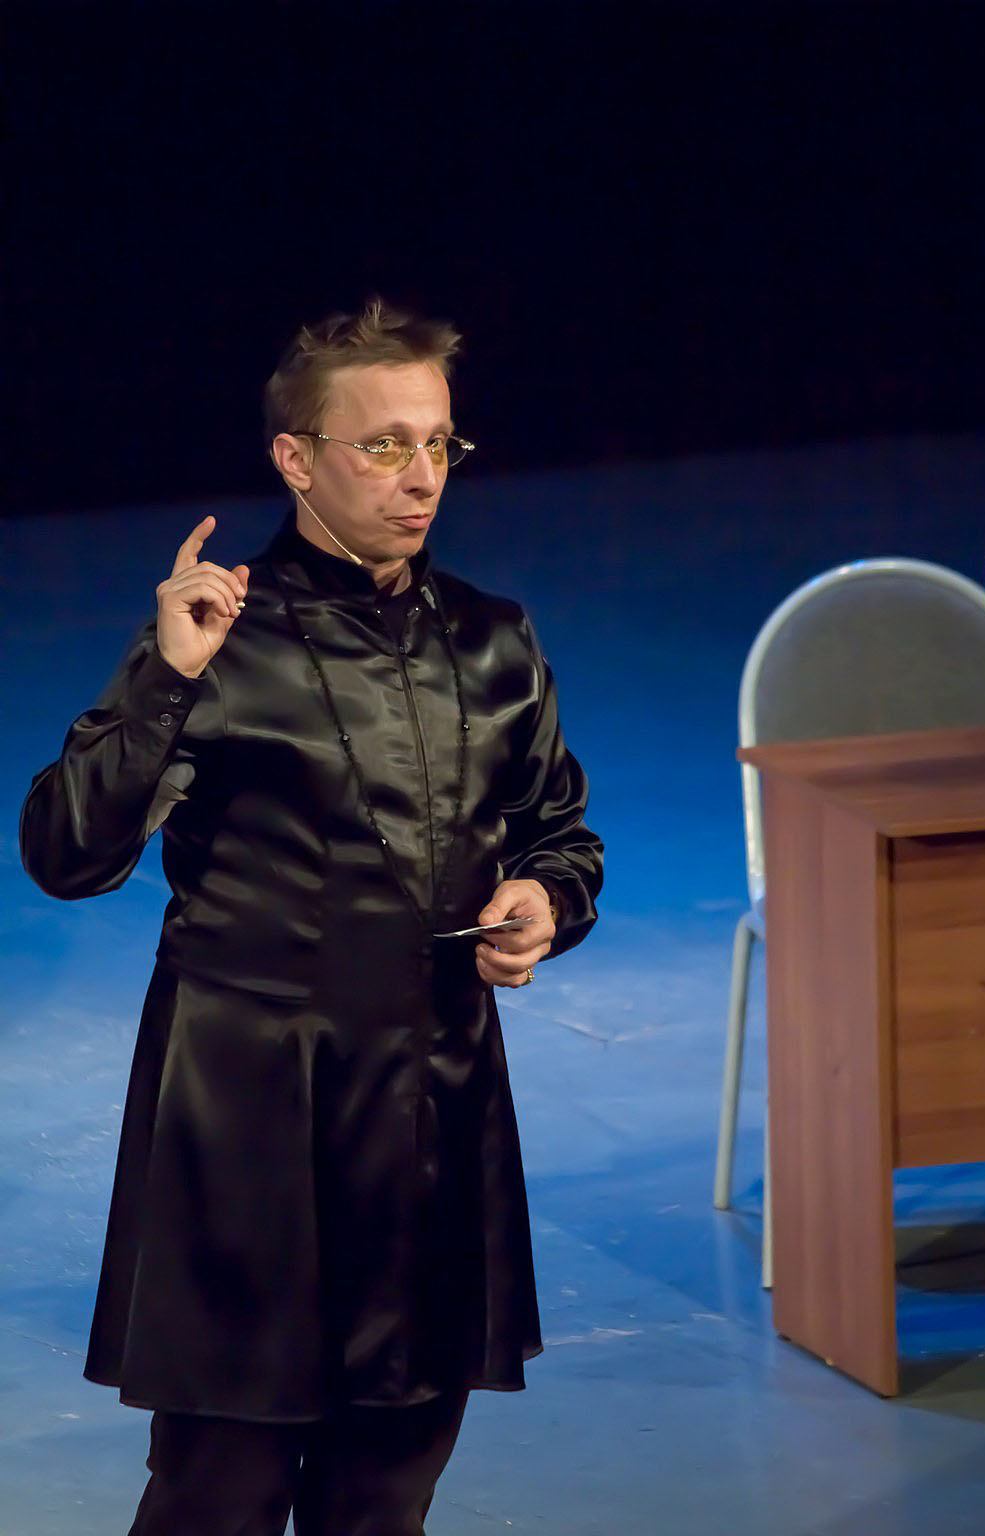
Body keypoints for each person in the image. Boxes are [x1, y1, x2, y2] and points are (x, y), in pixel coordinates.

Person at [20, 298, 604, 1535]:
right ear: (295, 457)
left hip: (434, 1113)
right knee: (220, 1491)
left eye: (438, 443)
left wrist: (543, 900)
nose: (421, 476)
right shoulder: (217, 642)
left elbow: (560, 830)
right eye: (383, 445)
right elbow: (67, 854)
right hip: (248, 1128)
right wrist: (164, 676)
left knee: (388, 1490)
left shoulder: (493, 641)